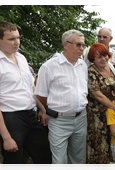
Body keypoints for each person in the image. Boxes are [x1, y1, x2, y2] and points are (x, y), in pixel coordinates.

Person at [0, 21, 51, 170]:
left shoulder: (21, 58)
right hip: (10, 118)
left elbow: (30, 87)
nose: (16, 42)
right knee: (13, 162)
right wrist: (6, 138)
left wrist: (42, 109)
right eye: (11, 39)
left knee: (44, 156)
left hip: (30, 115)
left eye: (18, 38)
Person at [35, 29, 88, 170]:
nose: (81, 48)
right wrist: (55, 108)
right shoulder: (49, 66)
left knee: (78, 160)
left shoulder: (82, 65)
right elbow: (40, 95)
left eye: (83, 45)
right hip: (59, 121)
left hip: (81, 118)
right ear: (66, 44)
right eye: (78, 45)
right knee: (58, 163)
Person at [86, 43, 115, 170]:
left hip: (114, 115)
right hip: (98, 117)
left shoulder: (113, 67)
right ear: (92, 59)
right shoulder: (91, 72)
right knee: (101, 147)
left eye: (105, 55)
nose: (104, 59)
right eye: (99, 57)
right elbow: (98, 95)